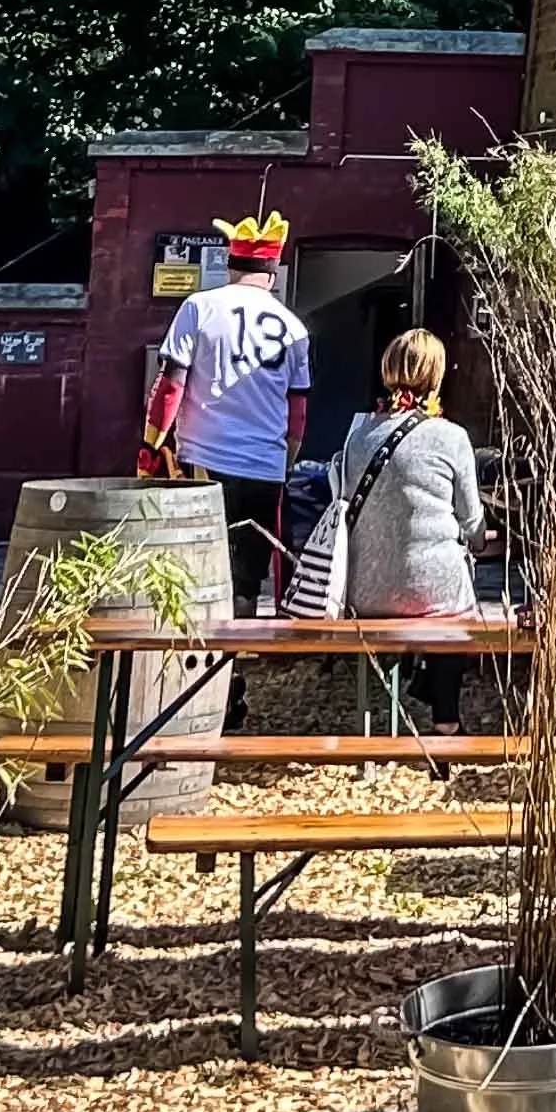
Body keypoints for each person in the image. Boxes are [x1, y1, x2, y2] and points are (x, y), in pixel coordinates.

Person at [142, 210, 309, 616]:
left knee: (195, 571)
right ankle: (236, 661)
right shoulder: (293, 326)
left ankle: (200, 664)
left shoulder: (198, 307)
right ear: (272, 272)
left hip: (205, 461)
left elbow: (170, 387)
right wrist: (284, 461)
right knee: (246, 580)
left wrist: (150, 448)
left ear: (230, 265)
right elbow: (298, 409)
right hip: (265, 469)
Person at [336, 325, 486, 732]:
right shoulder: (452, 437)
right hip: (432, 590)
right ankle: (446, 722)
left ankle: (391, 713)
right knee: (455, 603)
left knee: (437, 590)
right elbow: (472, 523)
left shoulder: (358, 437)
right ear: (437, 377)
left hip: (365, 590)